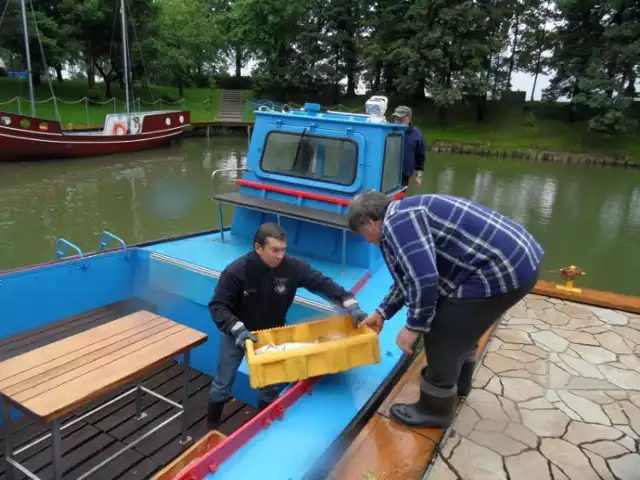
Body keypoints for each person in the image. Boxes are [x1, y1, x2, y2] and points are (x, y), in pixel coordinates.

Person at [346, 192, 544, 429]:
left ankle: (434, 411)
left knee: (441, 332)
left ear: (370, 222)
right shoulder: (407, 211)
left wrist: (414, 326)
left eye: (363, 234)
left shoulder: (397, 225)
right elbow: (408, 278)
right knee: (462, 324)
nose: (367, 241)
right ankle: (460, 385)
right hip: (521, 260)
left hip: (502, 270)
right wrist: (382, 312)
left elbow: (424, 279)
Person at [206, 222, 367, 429]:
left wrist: (350, 303)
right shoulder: (237, 272)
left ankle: (264, 426)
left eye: (283, 250)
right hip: (237, 333)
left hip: (272, 335)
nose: (279, 255)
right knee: (222, 384)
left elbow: (322, 283)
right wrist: (236, 329)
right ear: (258, 247)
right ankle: (211, 428)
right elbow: (218, 305)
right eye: (274, 250)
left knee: (270, 388)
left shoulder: (292, 268)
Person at [392, 106, 426, 189]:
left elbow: (420, 158)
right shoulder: (388, 131)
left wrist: (418, 176)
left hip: (404, 176)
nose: (398, 122)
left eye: (401, 119)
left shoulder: (416, 135)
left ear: (409, 119)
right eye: (396, 119)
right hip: (387, 174)